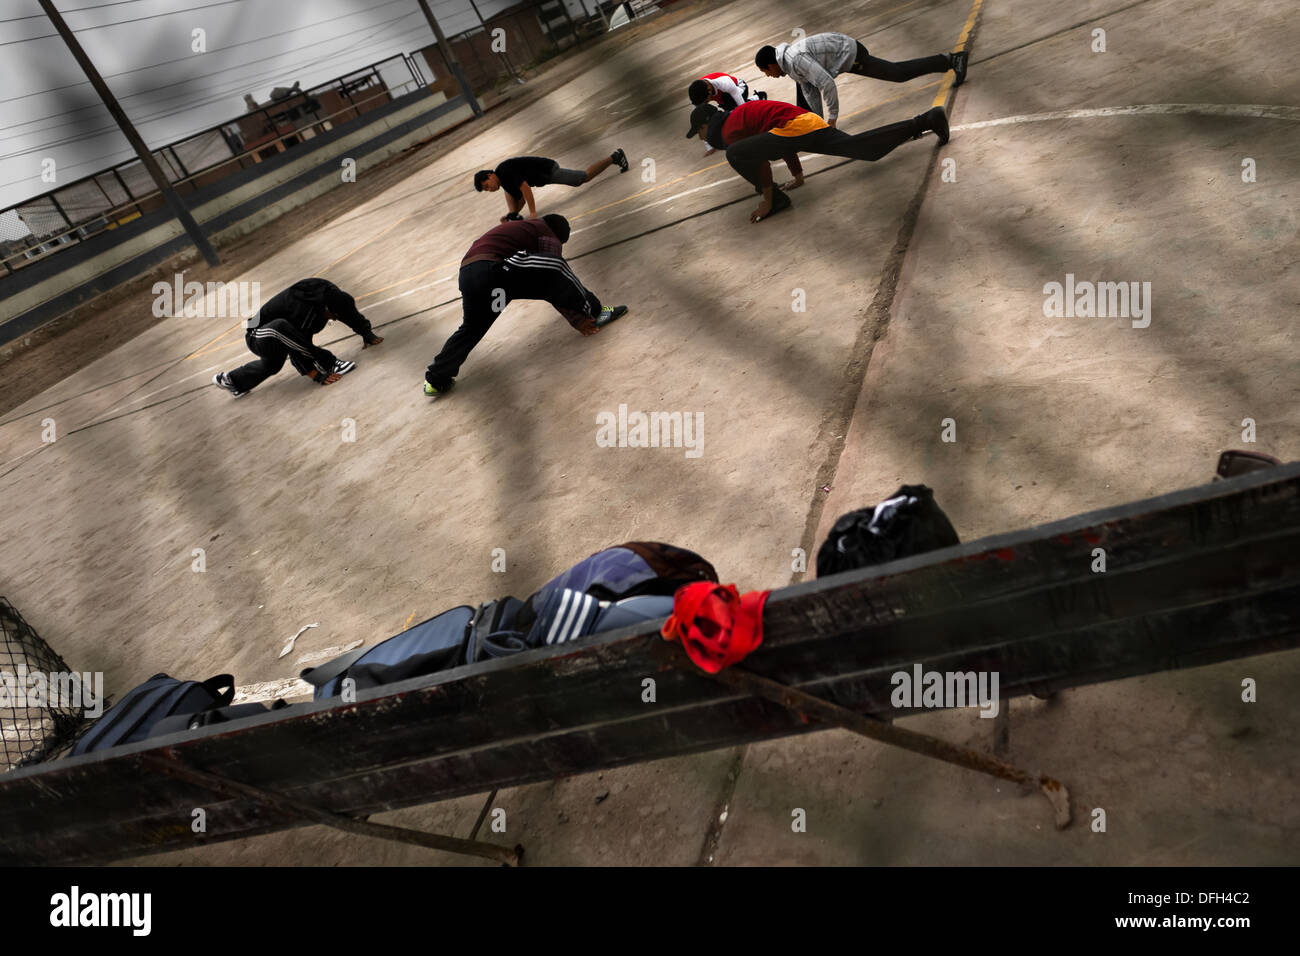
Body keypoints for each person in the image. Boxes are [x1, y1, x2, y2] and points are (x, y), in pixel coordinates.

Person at [423, 214, 627, 396]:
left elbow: (547, 285)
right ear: (558, 235)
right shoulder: (547, 235)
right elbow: (553, 273)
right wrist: (577, 320)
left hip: (471, 276)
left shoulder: (524, 229)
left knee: (472, 328)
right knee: (556, 265)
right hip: (495, 270)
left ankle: (436, 379)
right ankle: (597, 313)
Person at [685, 98, 949, 222]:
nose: (701, 138)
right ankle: (926, 120)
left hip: (795, 127)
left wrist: (768, 200)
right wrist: (798, 175)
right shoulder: (736, 118)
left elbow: (762, 158)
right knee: (865, 150)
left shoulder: (730, 131)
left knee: (736, 154)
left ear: (708, 123)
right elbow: (775, 136)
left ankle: (776, 200)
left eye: (699, 132)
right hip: (804, 122)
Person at [212, 278, 381, 398]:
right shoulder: (302, 309)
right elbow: (298, 346)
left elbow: (346, 311)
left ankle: (231, 380)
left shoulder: (329, 292)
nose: (334, 319)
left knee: (272, 365)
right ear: (325, 308)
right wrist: (316, 375)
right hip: (257, 334)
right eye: (333, 316)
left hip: (282, 336)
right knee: (280, 327)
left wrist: (366, 333)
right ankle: (332, 363)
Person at [755, 33, 968, 127]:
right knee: (897, 73)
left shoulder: (795, 59)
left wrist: (832, 119)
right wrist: (817, 123)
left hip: (849, 53)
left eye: (765, 71)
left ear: (771, 64)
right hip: (843, 52)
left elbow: (826, 83)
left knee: (897, 74)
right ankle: (949, 61)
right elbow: (810, 91)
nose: (768, 76)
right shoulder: (790, 66)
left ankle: (951, 60)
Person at [474, 151, 629, 222]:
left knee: (582, 178)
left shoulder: (504, 172)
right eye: (487, 190)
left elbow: (525, 188)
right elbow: (520, 199)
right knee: (509, 195)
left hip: (547, 170)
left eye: (487, 186)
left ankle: (615, 157)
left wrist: (533, 212)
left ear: (489, 176)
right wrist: (511, 215)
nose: (490, 189)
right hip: (541, 177)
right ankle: (511, 214)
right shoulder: (504, 181)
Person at [687, 72, 767, 155]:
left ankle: (756, 98)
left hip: (739, 88)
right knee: (728, 113)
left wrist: (751, 129)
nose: (706, 103)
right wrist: (709, 146)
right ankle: (751, 100)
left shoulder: (724, 82)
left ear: (710, 91)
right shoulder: (696, 95)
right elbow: (699, 122)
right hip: (723, 99)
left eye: (706, 101)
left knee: (734, 109)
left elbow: (743, 107)